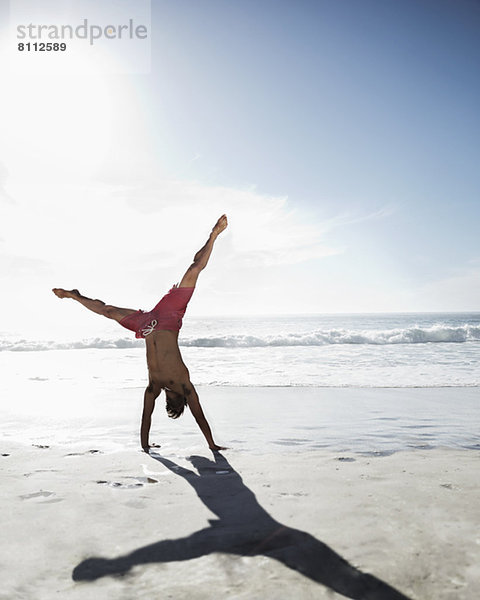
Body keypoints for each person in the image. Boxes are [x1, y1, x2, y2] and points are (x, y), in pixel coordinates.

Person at [52, 215, 228, 453]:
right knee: (194, 270)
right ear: (182, 401)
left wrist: (145, 446)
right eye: (174, 405)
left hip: (146, 325)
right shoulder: (185, 386)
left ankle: (74, 295)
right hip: (168, 318)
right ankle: (214, 235)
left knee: (109, 311)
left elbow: (146, 417)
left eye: (171, 404)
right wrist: (211, 444)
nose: (171, 401)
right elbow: (199, 416)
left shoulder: (155, 386)